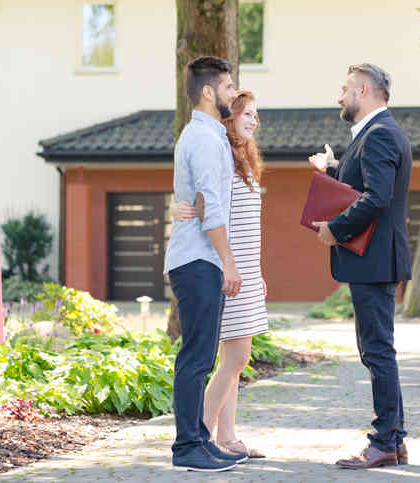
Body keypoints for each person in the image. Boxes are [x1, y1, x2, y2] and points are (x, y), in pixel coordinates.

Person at [309, 63, 412, 469]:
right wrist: (334, 170)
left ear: (364, 90)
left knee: (377, 351)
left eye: (346, 88)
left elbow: (377, 198)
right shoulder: (374, 134)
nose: (340, 96)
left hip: (374, 261)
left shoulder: (381, 133)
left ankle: (385, 441)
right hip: (375, 261)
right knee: (378, 350)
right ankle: (395, 440)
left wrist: (334, 229)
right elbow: (367, 187)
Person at [171, 90, 268, 459]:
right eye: (247, 113)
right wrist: (178, 208)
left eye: (257, 115)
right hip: (226, 269)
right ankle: (204, 437)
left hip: (243, 269)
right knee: (234, 358)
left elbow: (245, 223)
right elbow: (204, 203)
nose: (254, 120)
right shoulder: (218, 152)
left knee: (236, 358)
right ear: (228, 117)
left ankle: (226, 437)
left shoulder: (242, 159)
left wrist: (255, 271)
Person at [164, 55, 247, 473]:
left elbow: (199, 203)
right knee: (196, 356)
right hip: (199, 259)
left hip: (200, 258)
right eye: (229, 86)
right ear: (209, 92)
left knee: (202, 354)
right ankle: (187, 447)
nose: (234, 93)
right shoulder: (204, 139)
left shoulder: (208, 136)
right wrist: (229, 263)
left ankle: (198, 438)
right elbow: (211, 208)